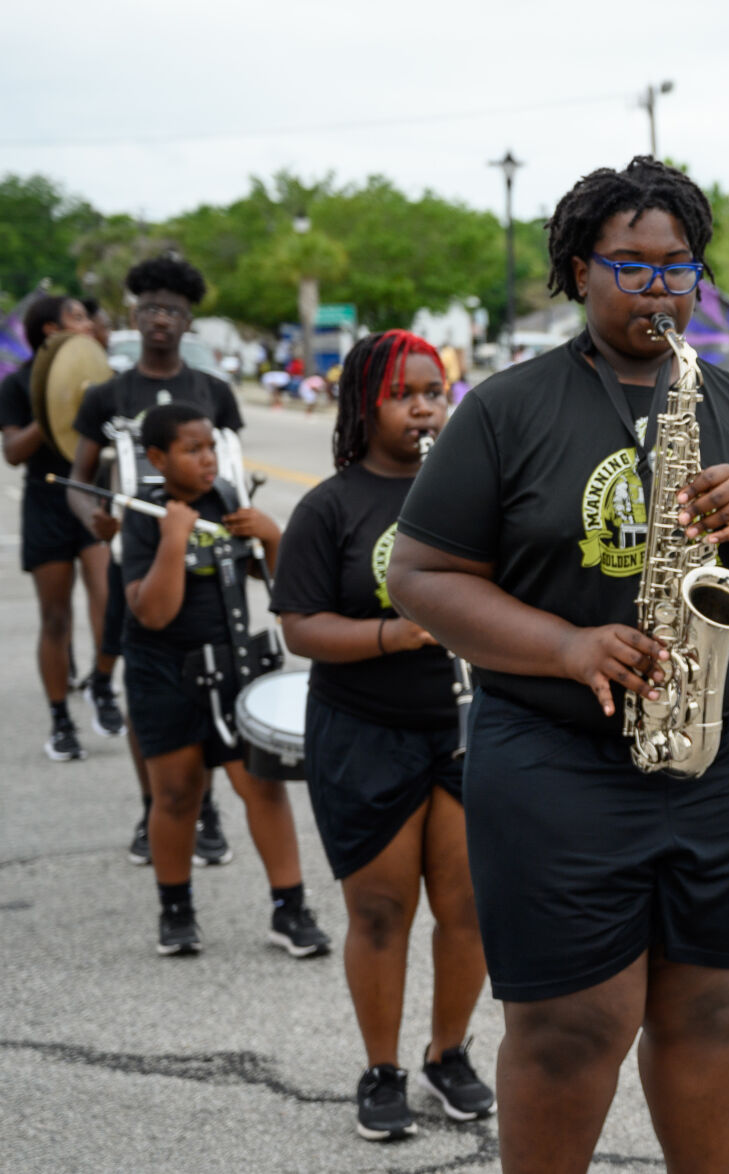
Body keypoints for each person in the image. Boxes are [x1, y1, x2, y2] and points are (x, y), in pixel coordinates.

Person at [385, 156, 729, 1172]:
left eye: (677, 268)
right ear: (577, 271)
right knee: (570, 1024)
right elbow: (420, 573)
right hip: (553, 753)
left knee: (709, 1012)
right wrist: (565, 645)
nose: (655, 288)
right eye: (628, 266)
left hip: (716, 749)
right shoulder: (505, 409)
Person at [271, 330, 494, 1141]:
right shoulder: (329, 505)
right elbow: (298, 627)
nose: (425, 405)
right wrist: (393, 637)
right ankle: (381, 1068)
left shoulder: (470, 494)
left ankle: (447, 1054)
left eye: (434, 389)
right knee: (378, 910)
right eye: (404, 392)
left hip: (464, 727)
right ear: (363, 404)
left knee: (467, 908)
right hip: (364, 732)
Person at [119, 402, 331, 956]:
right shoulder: (143, 513)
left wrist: (271, 538)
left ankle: (289, 908)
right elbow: (153, 612)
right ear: (158, 457)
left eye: (211, 446)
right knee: (177, 791)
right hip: (164, 672)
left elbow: (287, 592)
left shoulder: (228, 501)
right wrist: (173, 537)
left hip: (232, 666)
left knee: (261, 785)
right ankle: (176, 909)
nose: (208, 459)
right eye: (193, 450)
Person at [70, 256, 243, 870]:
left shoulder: (213, 393)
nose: (159, 319)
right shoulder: (107, 395)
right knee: (147, 686)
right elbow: (79, 479)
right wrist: (94, 519)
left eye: (171, 309)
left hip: (204, 556)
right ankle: (157, 804)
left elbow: (234, 472)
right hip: (135, 555)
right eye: (148, 309)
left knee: (213, 680)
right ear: (133, 315)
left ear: (189, 317)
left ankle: (206, 807)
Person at [0, 294, 121, 761]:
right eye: (76, 317)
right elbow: (13, 453)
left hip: (91, 492)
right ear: (50, 330)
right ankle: (60, 720)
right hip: (46, 500)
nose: (87, 323)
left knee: (107, 599)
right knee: (55, 618)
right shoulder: (18, 385)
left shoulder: (98, 371)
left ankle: (103, 684)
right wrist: (55, 409)